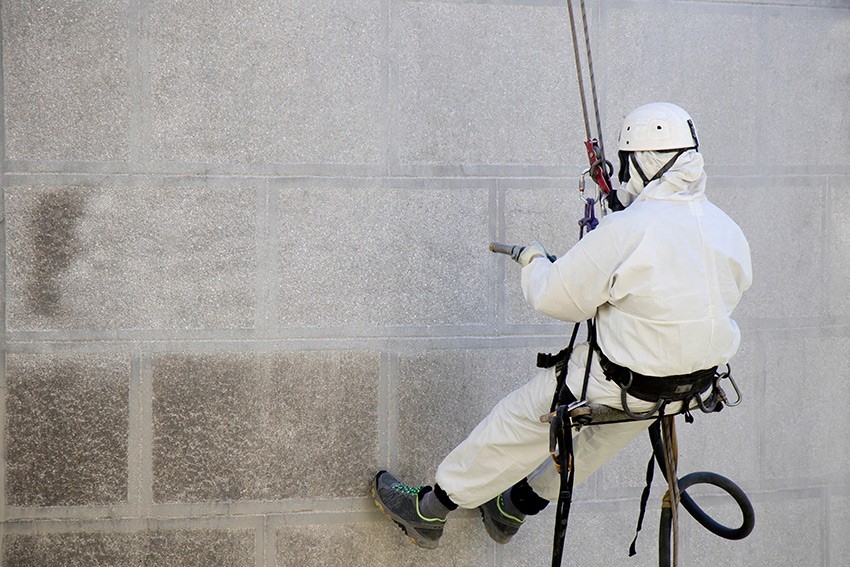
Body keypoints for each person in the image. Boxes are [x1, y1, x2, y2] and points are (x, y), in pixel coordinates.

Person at [372, 102, 752, 549]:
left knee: (518, 422)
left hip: (621, 380)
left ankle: (430, 508)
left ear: (642, 160)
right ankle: (514, 507)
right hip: (687, 388)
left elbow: (556, 297)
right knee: (600, 439)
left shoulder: (628, 229)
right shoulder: (727, 228)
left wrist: (534, 260)